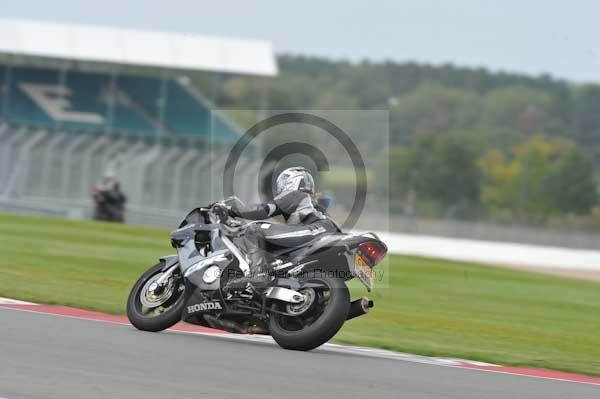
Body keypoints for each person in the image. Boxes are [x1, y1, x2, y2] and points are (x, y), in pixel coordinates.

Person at [223, 166, 338, 289]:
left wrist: (231, 210)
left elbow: (263, 210)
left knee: (253, 230)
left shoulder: (295, 194)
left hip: (317, 230)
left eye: (283, 181)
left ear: (291, 181)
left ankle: (258, 274)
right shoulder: (311, 200)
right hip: (322, 231)